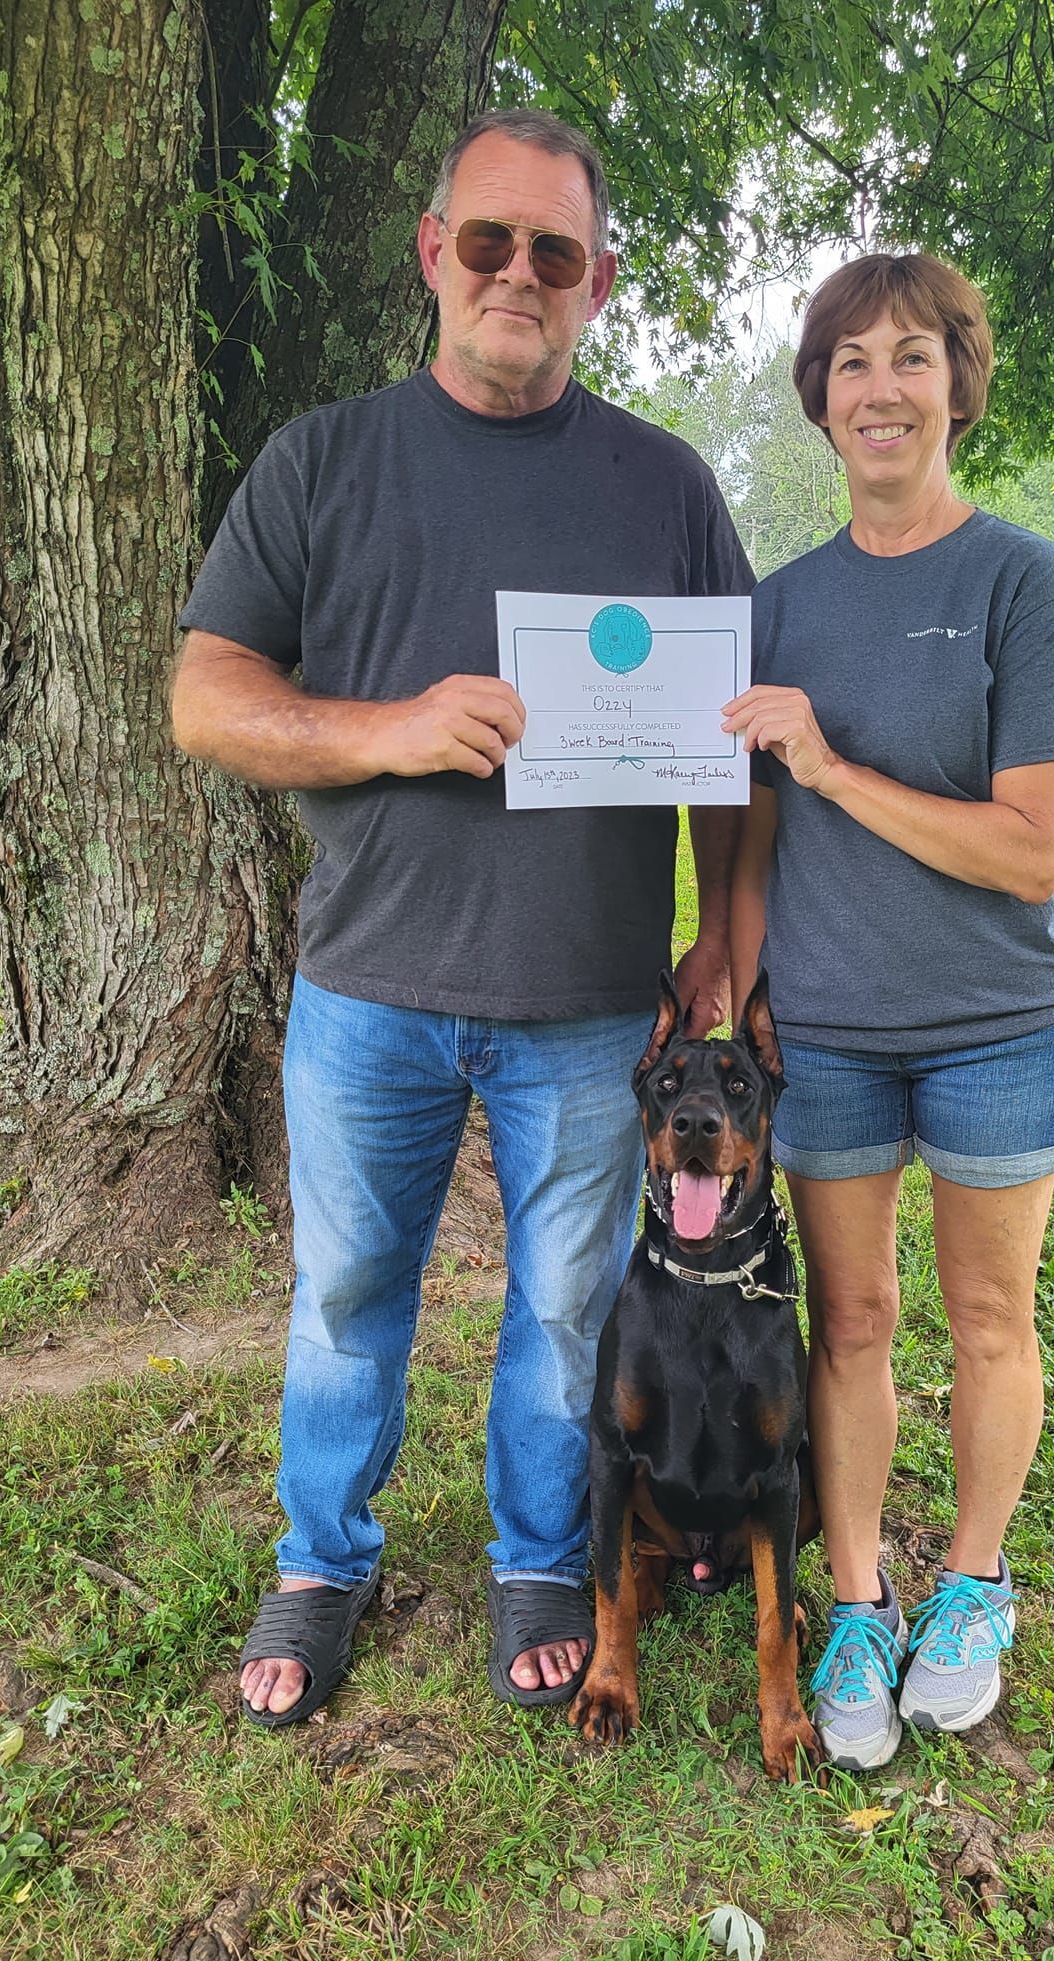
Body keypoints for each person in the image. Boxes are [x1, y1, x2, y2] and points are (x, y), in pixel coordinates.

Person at [173, 108, 752, 1727]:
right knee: (349, 1296)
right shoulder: (321, 460)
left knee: (566, 1306)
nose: (517, 273)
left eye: (552, 253)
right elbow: (208, 698)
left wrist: (724, 931)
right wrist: (387, 727)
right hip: (369, 989)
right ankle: (322, 1556)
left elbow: (728, 739)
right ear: (433, 252)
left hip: (587, 1002)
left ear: (598, 282)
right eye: (486, 241)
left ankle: (536, 1557)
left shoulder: (668, 486)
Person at [725, 252, 1054, 1773]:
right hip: (823, 1031)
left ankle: (971, 1583)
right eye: (848, 364)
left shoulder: (1023, 581)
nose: (879, 388)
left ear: (959, 381)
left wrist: (835, 771)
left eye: (909, 358)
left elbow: (1033, 850)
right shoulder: (780, 606)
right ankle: (856, 1598)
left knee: (986, 1318)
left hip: (997, 1025)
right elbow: (756, 838)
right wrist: (732, 966)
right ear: (821, 403)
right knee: (855, 1326)